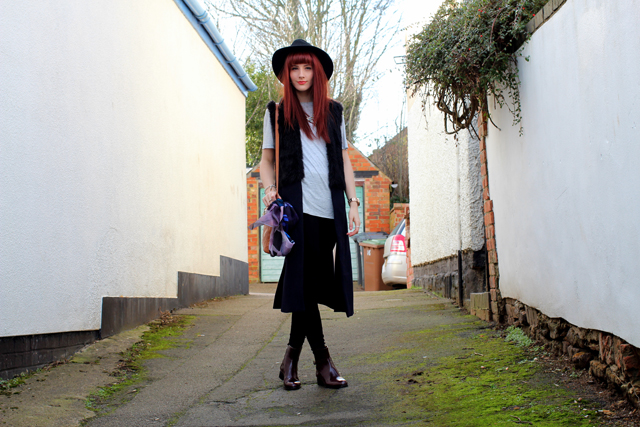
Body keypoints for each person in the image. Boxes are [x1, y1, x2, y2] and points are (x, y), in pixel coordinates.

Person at [259, 39, 361, 391]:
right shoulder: (276, 113)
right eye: (294, 68)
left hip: (329, 212)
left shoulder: (333, 112)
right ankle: (323, 362)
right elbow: (266, 161)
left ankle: (290, 358)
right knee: (304, 283)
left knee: (308, 285)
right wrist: (269, 188)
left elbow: (344, 159)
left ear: (317, 73)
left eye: (307, 68)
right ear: (286, 74)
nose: (301, 74)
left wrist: (353, 202)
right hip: (296, 212)